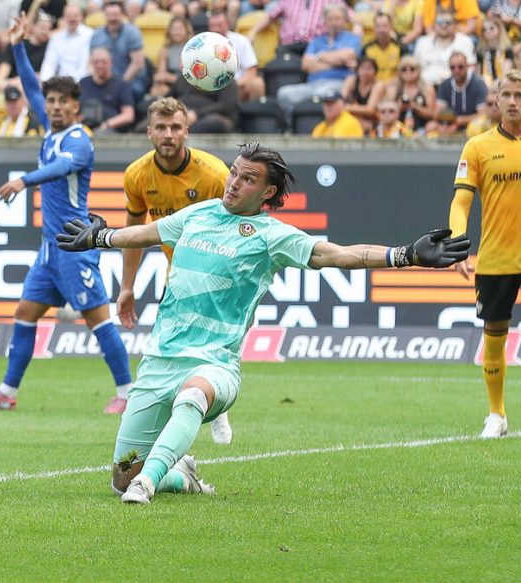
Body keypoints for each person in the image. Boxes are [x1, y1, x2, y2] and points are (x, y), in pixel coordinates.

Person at [55, 142, 470, 504]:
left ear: (268, 192)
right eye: (234, 172)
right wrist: (100, 236)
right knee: (119, 478)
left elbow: (339, 254)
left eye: (247, 179)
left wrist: (405, 255)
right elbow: (143, 235)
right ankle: (180, 475)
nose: (234, 182)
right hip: (159, 360)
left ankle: (146, 484)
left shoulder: (272, 235)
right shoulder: (197, 215)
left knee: (192, 397)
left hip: (214, 365)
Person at [0, 15, 132, 413]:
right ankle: (7, 393)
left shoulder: (81, 141)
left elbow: (60, 168)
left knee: (97, 318)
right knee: (25, 313)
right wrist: (18, 45)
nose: (54, 108)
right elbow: (27, 84)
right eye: (51, 102)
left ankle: (127, 393)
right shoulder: (50, 130)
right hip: (50, 247)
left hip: (75, 243)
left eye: (62, 103)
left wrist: (25, 179)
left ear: (76, 107)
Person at [116, 98, 232, 437]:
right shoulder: (137, 175)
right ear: (149, 132)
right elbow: (134, 234)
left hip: (218, 274)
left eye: (176, 128)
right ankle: (172, 417)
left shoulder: (214, 175)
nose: (169, 135)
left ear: (187, 131)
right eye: (162, 128)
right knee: (167, 350)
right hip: (177, 276)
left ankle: (217, 402)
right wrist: (127, 286)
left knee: (214, 345)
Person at [448, 70, 521, 439]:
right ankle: (496, 414)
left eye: (520, 95)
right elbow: (461, 201)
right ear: (496, 100)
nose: (513, 101)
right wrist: (459, 243)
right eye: (506, 94)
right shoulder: (477, 146)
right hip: (496, 260)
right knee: (495, 335)